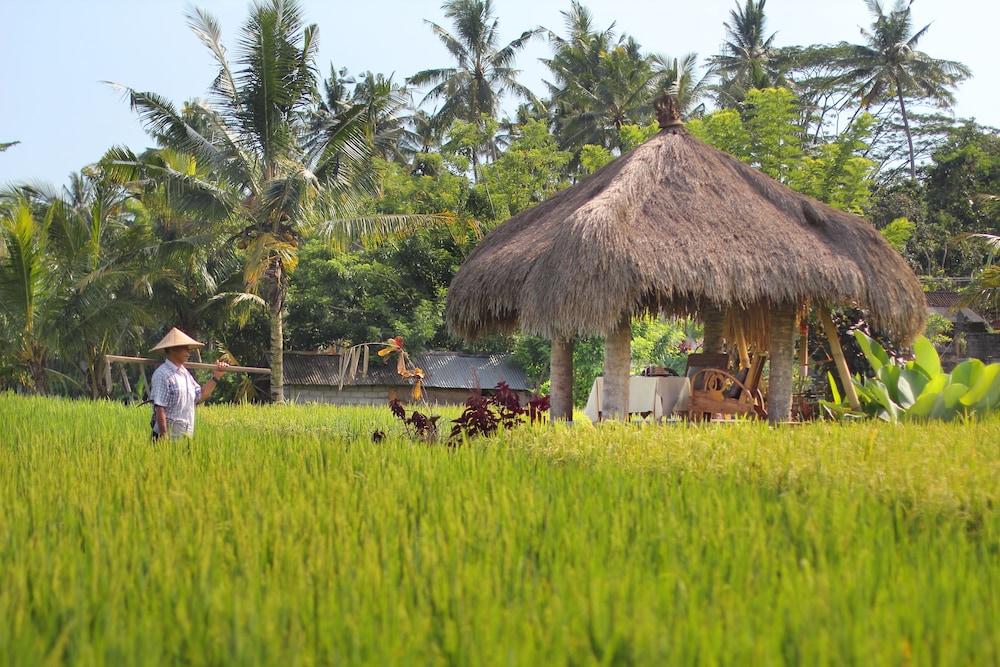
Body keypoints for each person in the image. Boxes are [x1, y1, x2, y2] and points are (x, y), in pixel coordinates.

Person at [149, 328, 229, 440]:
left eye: (189, 348)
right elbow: (160, 407)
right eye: (184, 348)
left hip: (184, 437)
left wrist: (216, 376)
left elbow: (200, 395)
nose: (188, 352)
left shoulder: (185, 374)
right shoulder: (162, 374)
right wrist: (164, 436)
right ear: (172, 350)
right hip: (166, 438)